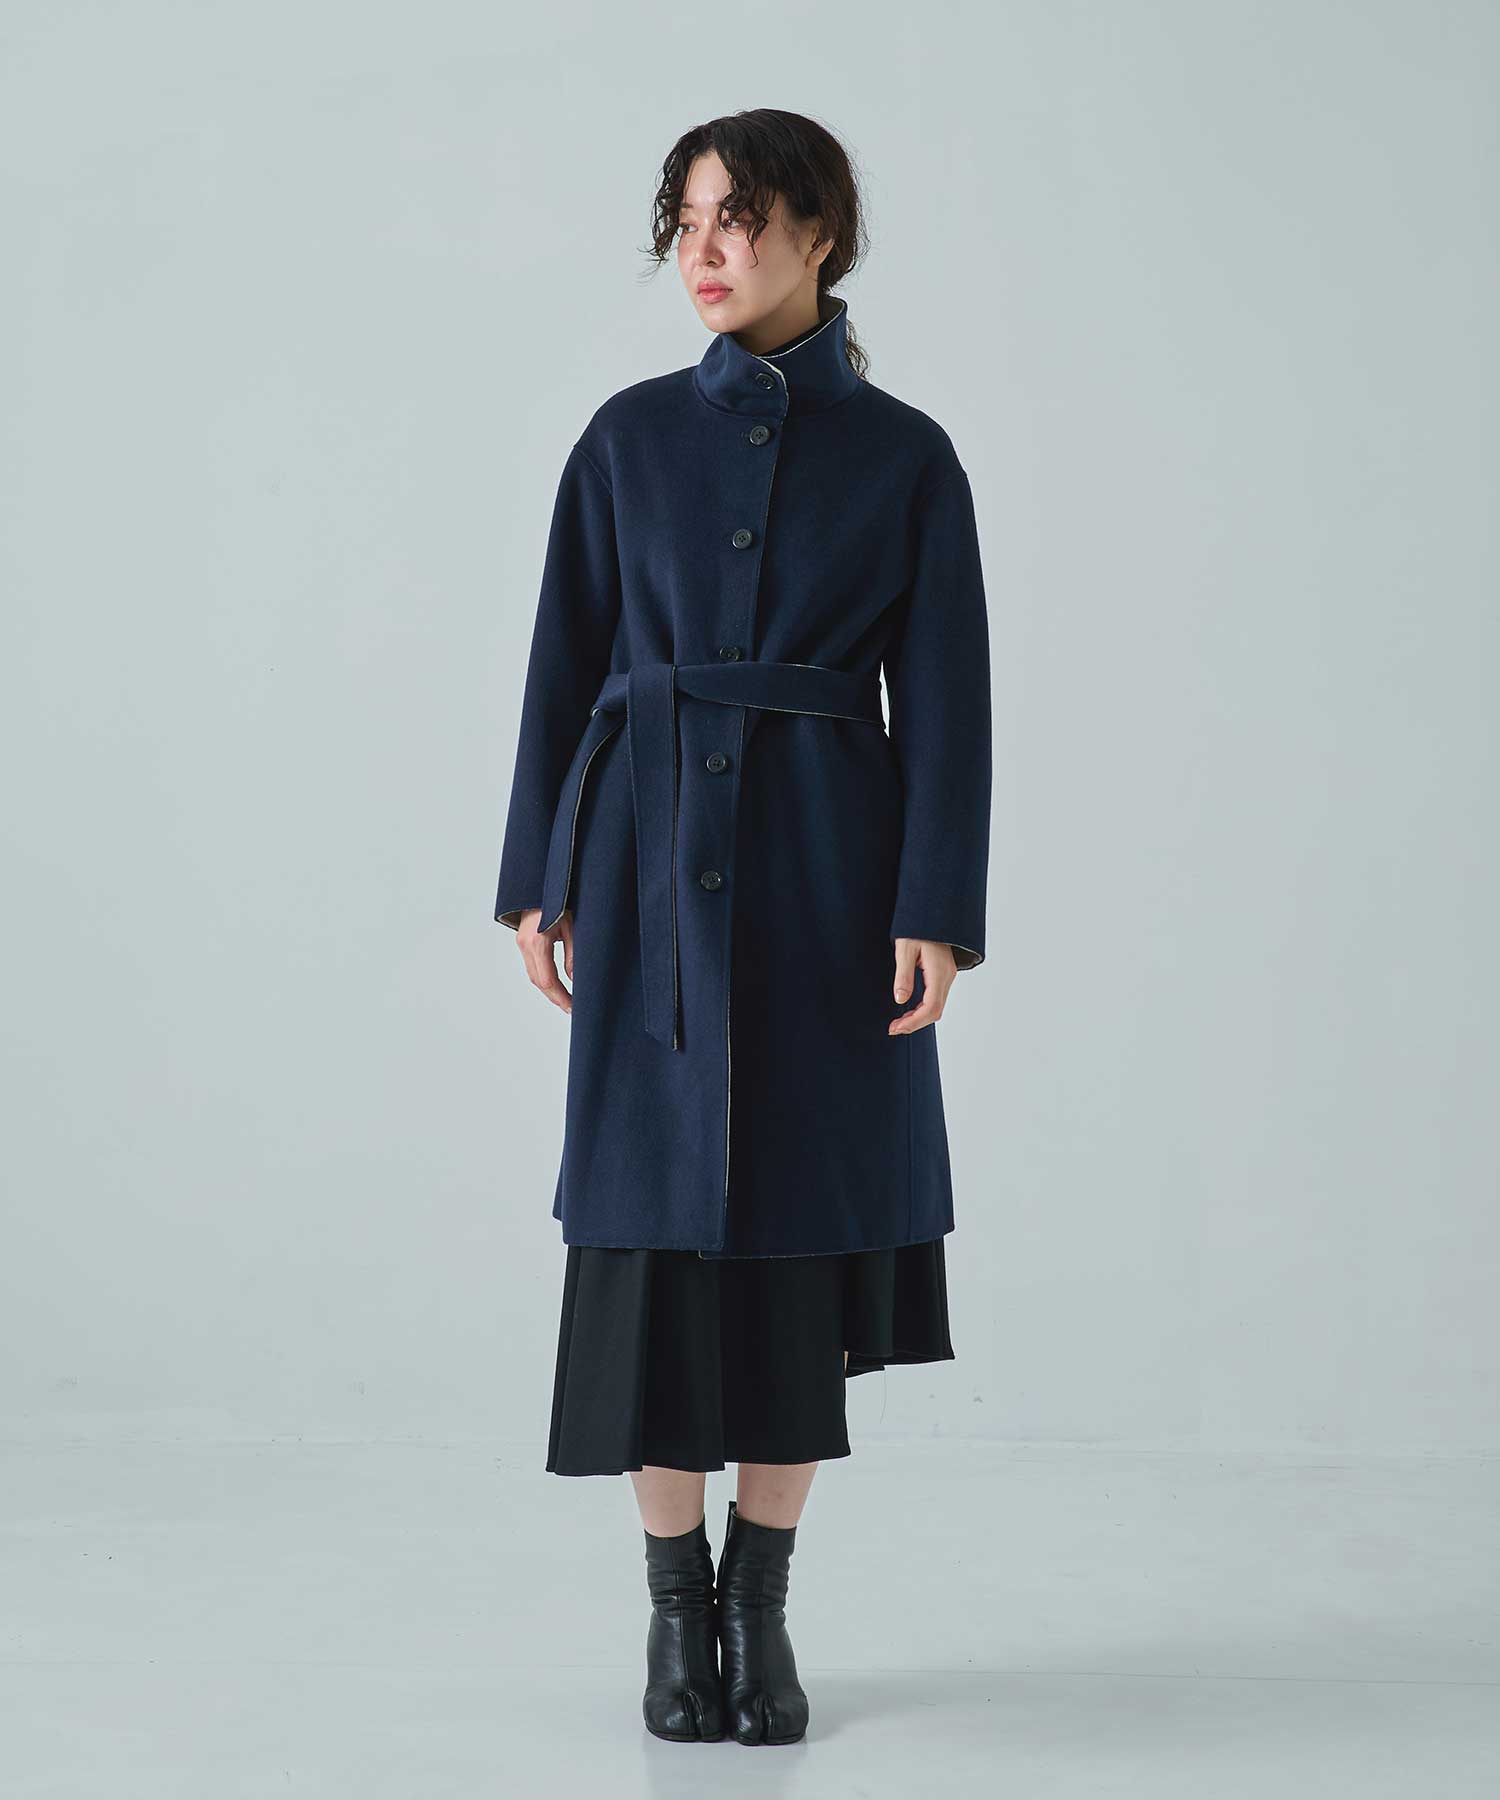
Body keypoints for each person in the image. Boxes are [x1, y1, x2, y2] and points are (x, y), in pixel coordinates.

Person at [492, 108, 992, 1746]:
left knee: (792, 1245)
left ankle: (760, 1604)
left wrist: (934, 907)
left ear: (819, 237)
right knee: (645, 1234)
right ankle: (671, 1608)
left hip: (825, 874)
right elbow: (564, 663)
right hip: (643, 862)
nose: (705, 252)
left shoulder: (906, 456)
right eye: (688, 222)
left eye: (740, 220)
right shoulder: (627, 439)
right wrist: (537, 874)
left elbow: (952, 700)